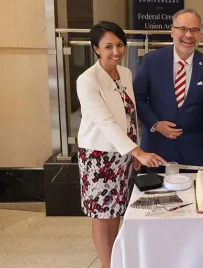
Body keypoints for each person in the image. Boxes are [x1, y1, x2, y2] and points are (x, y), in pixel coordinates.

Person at [76, 21, 166, 268]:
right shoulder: (87, 80)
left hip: (123, 154)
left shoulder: (125, 73)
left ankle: (115, 259)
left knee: (115, 210)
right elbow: (104, 121)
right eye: (108, 46)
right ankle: (107, 265)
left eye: (119, 45)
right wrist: (136, 150)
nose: (116, 51)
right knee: (101, 216)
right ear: (96, 49)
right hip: (99, 156)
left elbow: (130, 115)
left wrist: (134, 149)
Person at [134, 8, 203, 169]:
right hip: (156, 148)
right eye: (183, 29)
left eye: (194, 30)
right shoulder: (151, 61)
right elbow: (138, 98)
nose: (188, 35)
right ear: (172, 31)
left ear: (200, 34)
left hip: (194, 150)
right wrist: (155, 124)